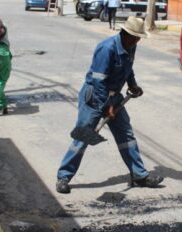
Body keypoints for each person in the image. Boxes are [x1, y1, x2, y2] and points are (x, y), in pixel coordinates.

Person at [56, 16, 163, 193]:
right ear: (125, 34)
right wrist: (106, 106)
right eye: (135, 37)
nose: (137, 41)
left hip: (115, 96)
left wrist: (132, 84)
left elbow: (128, 67)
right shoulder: (107, 49)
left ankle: (139, 175)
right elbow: (99, 82)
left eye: (139, 38)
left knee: (126, 135)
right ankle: (63, 177)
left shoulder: (131, 45)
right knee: (83, 136)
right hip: (94, 96)